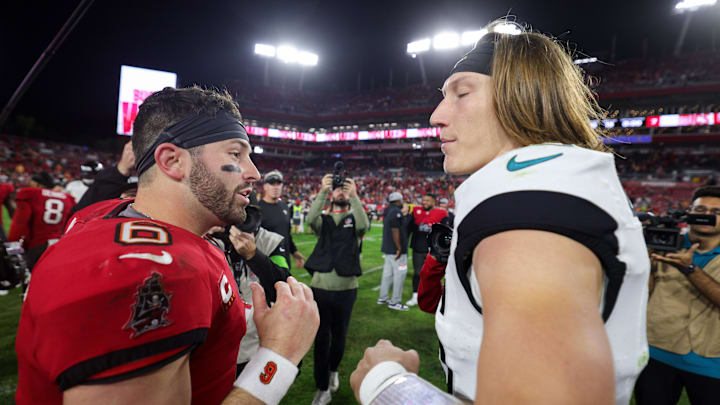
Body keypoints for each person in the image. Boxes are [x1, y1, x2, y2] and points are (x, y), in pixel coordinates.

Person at [351, 19, 649, 405]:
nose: (436, 115)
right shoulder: (548, 184)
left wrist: (387, 385)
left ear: (522, 96)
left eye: (462, 93)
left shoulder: (530, 209)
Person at [15, 86, 319, 405]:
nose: (254, 172)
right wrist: (277, 358)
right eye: (235, 155)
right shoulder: (146, 269)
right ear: (173, 161)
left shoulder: (108, 214)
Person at [634, 186, 720, 405]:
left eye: (716, 212)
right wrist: (647, 267)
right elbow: (643, 295)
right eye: (700, 209)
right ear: (688, 212)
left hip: (711, 363)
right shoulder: (663, 243)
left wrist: (691, 269)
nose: (706, 215)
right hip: (657, 354)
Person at [304, 173, 370, 405]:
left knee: (339, 336)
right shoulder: (325, 220)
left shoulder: (355, 218)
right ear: (332, 194)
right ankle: (322, 387)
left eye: (344, 189)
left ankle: (332, 370)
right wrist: (323, 190)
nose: (341, 191)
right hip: (320, 287)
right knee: (321, 339)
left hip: (346, 288)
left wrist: (354, 196)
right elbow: (310, 220)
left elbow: (364, 226)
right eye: (338, 189)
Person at [8, 172, 75, 269]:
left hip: (37, 245)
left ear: (38, 184)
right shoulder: (68, 198)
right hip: (60, 244)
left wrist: (12, 251)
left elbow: (18, 227)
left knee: (31, 278)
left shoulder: (30, 194)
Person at [71, 141, 137, 214]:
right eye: (87, 175)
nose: (88, 177)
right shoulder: (73, 185)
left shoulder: (103, 187)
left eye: (91, 175)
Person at [259, 170, 305, 271]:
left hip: (285, 260)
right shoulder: (257, 209)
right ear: (265, 186)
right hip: (266, 262)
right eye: (272, 184)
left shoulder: (285, 207)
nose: (275, 187)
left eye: (278, 184)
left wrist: (295, 251)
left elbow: (287, 234)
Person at [406, 193, 447, 307]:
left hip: (434, 250)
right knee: (418, 273)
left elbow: (446, 231)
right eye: (424, 200)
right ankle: (415, 295)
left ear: (434, 202)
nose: (424, 202)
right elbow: (408, 227)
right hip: (418, 248)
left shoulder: (441, 214)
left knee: (434, 274)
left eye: (428, 200)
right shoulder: (416, 212)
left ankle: (434, 297)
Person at [378, 191, 411, 311]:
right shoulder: (396, 212)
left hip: (388, 249)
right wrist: (399, 248)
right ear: (398, 201)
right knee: (400, 274)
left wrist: (404, 213)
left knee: (387, 274)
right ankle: (395, 301)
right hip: (397, 251)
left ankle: (383, 297)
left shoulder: (388, 210)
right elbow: (395, 230)